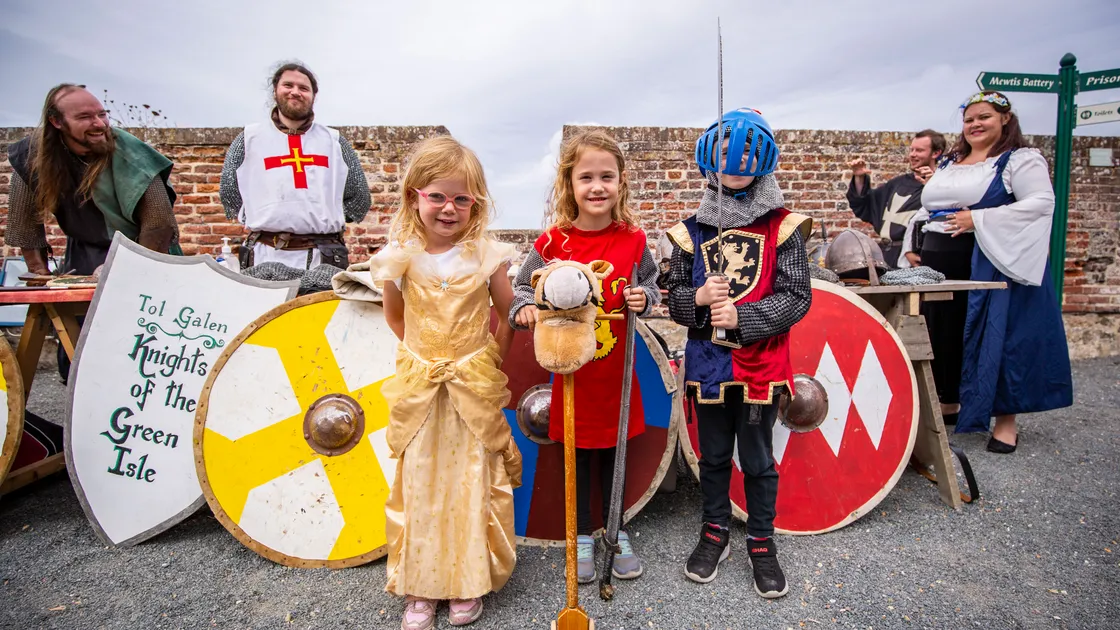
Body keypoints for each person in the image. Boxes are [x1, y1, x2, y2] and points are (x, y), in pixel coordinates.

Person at [369, 136, 522, 629]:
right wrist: (426, 357)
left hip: (472, 383)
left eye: (461, 198)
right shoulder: (401, 258)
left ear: (475, 201)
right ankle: (420, 587)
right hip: (421, 386)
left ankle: (466, 580)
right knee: (421, 480)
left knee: (470, 477)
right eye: (437, 196)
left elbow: (507, 315)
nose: (449, 208)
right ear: (415, 195)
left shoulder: (485, 257)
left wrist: (487, 358)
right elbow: (397, 317)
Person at [665, 108, 811, 598]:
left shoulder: (784, 228)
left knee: (757, 457)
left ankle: (762, 542)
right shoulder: (691, 231)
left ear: (762, 158)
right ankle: (714, 531)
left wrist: (744, 319)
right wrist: (701, 302)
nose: (735, 159)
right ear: (711, 159)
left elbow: (796, 296)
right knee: (713, 456)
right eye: (725, 150)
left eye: (746, 150)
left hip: (759, 364)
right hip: (710, 364)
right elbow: (676, 301)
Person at [510, 129, 661, 584]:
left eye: (607, 177)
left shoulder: (633, 240)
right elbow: (521, 288)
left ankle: (615, 532)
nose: (598, 187)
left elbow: (653, 286)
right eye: (587, 177)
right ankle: (581, 538)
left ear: (621, 183)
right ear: (569, 184)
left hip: (616, 374)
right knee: (575, 459)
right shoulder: (554, 243)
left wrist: (643, 298)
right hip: (572, 376)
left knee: (616, 456)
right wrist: (526, 310)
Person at [920, 91, 1072, 453]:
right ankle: (952, 402)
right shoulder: (951, 162)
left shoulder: (1019, 160)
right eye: (969, 118)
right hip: (942, 259)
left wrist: (978, 218)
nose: (975, 124)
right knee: (947, 334)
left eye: (984, 117)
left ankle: (1006, 421)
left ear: (1005, 118)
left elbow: (1041, 203)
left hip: (991, 258)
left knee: (997, 336)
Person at [5, 83, 181, 382]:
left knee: (146, 350)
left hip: (144, 252)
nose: (99, 124)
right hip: (83, 253)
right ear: (57, 122)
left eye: (102, 114)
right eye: (85, 117)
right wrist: (39, 271)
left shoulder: (130, 153)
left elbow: (159, 224)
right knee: (77, 354)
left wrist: (125, 263)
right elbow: (24, 220)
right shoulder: (34, 154)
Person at [219, 62, 370, 271]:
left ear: (313, 96)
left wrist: (322, 215)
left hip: (323, 256)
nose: (295, 92)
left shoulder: (334, 142)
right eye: (288, 85)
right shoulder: (249, 139)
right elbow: (230, 193)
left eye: (303, 88)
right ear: (275, 91)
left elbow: (359, 199)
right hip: (264, 255)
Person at [846, 129, 946, 266]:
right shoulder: (897, 183)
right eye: (912, 150)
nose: (913, 155)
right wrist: (859, 178)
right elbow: (866, 205)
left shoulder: (943, 186)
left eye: (919, 150)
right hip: (887, 256)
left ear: (936, 153)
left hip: (915, 259)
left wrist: (934, 186)